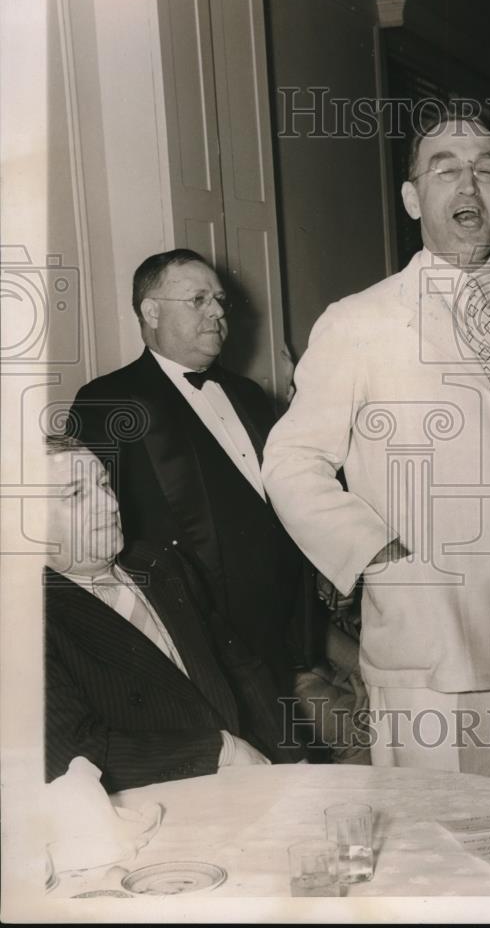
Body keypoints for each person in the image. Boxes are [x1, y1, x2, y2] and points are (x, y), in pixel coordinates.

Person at [262, 111, 490, 792]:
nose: (469, 185)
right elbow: (290, 462)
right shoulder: (358, 321)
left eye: (486, 170)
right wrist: (375, 551)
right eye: (446, 168)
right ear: (411, 198)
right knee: (439, 851)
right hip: (428, 636)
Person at [66, 249, 315, 721]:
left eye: (219, 299)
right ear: (151, 311)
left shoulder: (249, 395)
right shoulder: (106, 400)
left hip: (278, 627)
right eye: (198, 299)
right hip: (197, 638)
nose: (219, 312)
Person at [44, 434, 303, 792]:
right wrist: (219, 750)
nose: (108, 502)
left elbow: (242, 668)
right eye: (76, 494)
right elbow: (72, 755)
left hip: (251, 781)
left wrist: (293, 757)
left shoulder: (159, 563)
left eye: (104, 482)